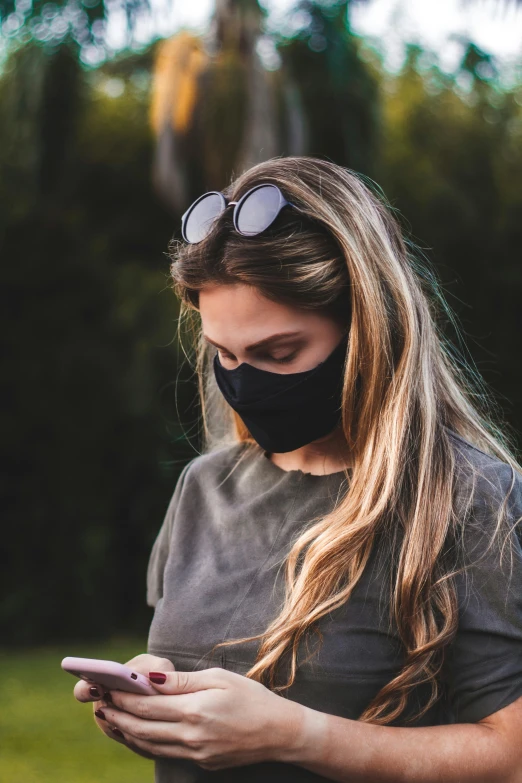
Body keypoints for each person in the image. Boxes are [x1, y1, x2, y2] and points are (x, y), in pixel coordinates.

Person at [74, 156, 522, 782]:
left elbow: (510, 756)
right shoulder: (203, 487)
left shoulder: (471, 498)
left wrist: (295, 735)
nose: (244, 382)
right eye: (223, 354)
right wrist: (155, 704)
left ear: (369, 328)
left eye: (278, 353)